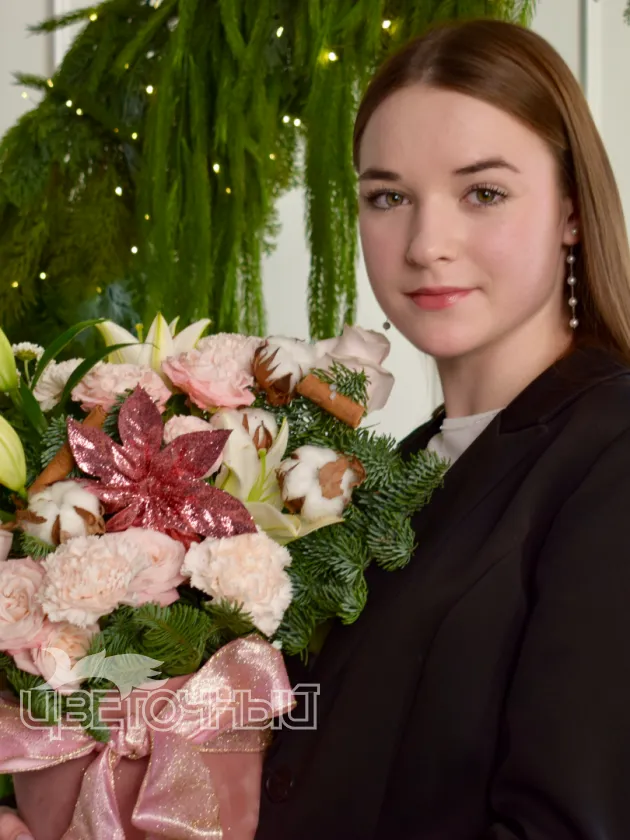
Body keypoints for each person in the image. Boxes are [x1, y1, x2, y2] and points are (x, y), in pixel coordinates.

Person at [2, 17, 630, 840]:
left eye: (484, 192)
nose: (427, 244)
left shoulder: (611, 451)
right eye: (389, 197)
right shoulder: (394, 473)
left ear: (572, 210)